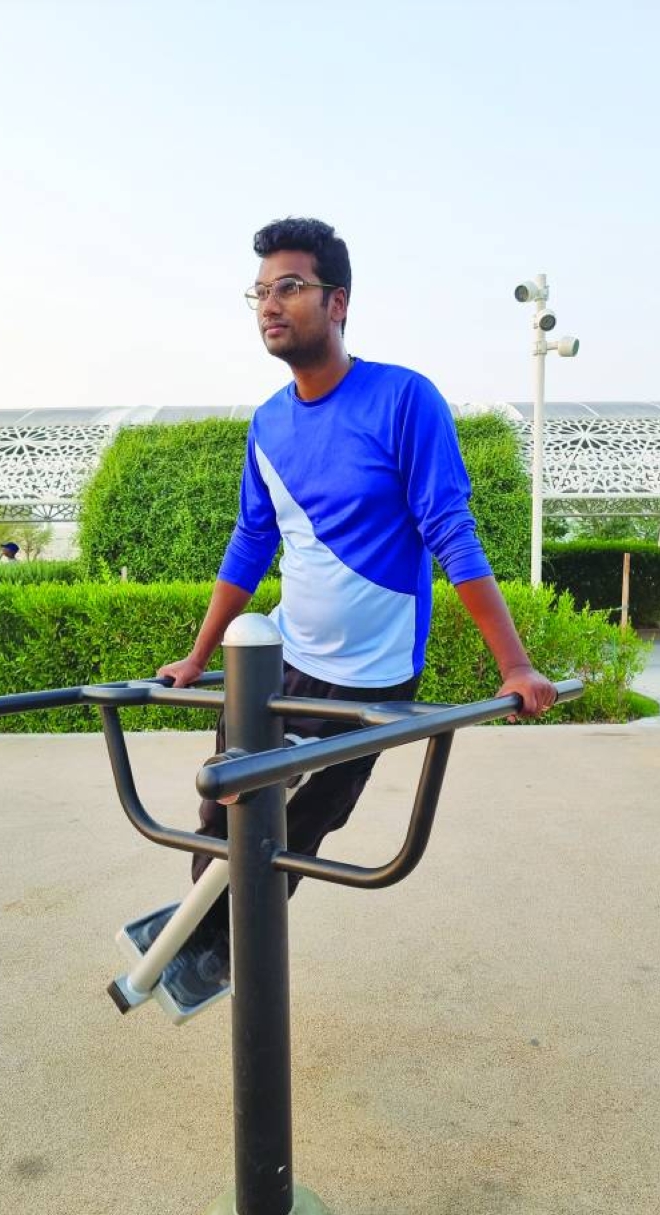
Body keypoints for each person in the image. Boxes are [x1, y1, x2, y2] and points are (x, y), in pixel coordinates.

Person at [156, 216, 556, 1000]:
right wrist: (198, 657)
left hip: (371, 674)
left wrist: (514, 664)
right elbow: (249, 545)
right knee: (223, 803)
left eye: (291, 287)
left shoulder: (404, 400)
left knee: (302, 826)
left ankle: (229, 953)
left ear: (337, 301)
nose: (271, 305)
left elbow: (451, 531)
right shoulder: (268, 423)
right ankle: (199, 944)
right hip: (281, 659)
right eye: (261, 292)